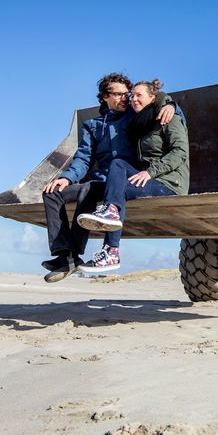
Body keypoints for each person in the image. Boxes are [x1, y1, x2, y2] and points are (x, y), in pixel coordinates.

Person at [41, 73, 179, 283]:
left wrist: (170, 104)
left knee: (88, 189)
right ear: (105, 96)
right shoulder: (93, 126)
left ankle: (78, 254)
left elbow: (154, 100)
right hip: (99, 181)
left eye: (127, 94)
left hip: (124, 180)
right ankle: (66, 255)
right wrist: (67, 178)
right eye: (119, 94)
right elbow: (83, 159)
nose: (126, 98)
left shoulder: (133, 115)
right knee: (52, 192)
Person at [76, 79, 189, 273]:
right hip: (149, 180)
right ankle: (111, 239)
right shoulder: (140, 124)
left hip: (169, 182)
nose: (133, 99)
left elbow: (180, 153)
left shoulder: (168, 117)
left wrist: (150, 172)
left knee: (116, 189)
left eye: (139, 95)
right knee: (118, 164)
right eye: (132, 96)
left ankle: (110, 249)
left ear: (152, 98)